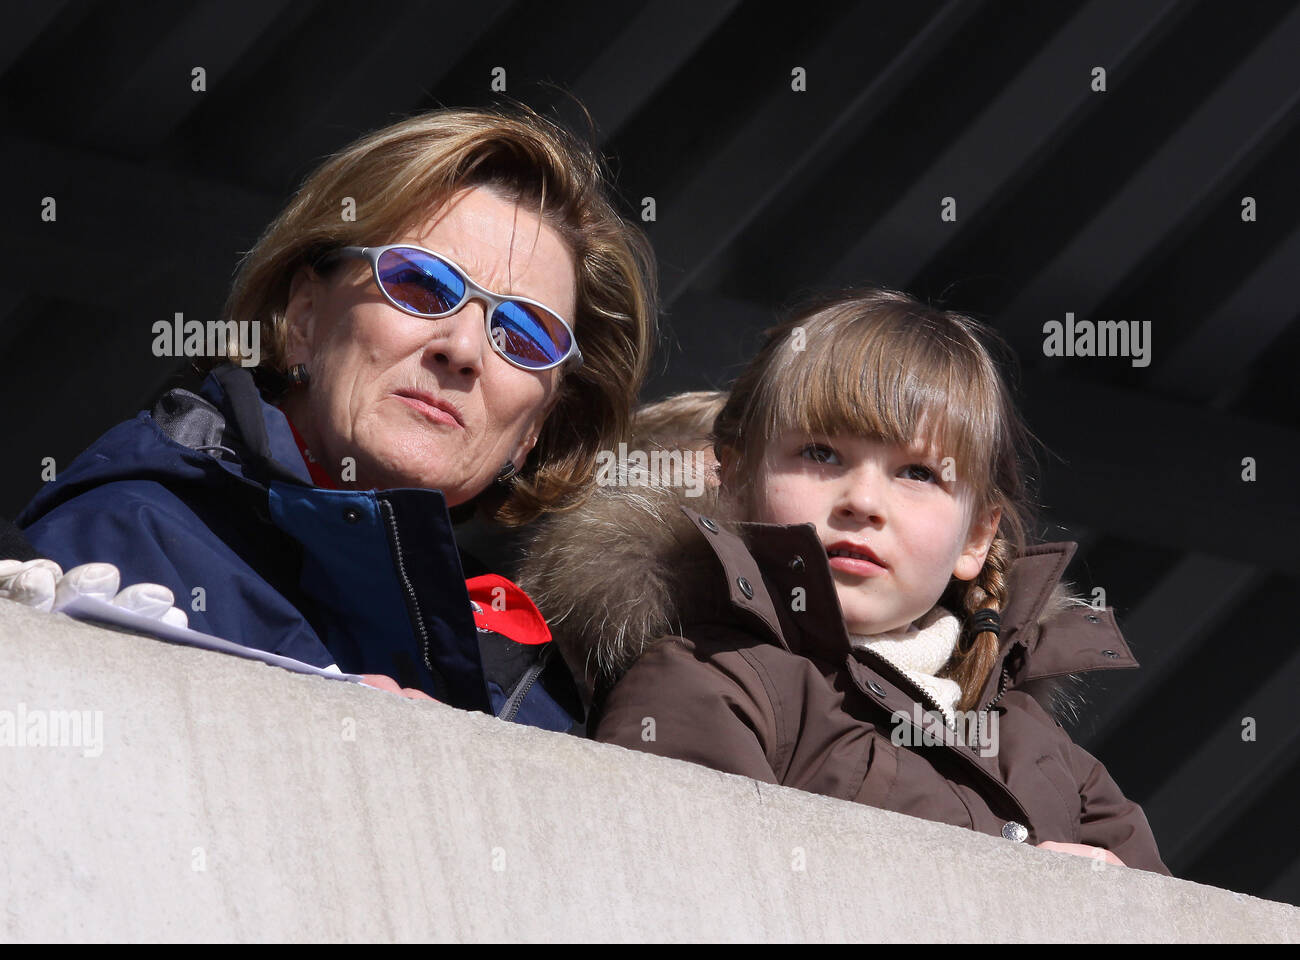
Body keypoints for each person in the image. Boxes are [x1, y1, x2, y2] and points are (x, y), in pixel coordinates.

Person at [13, 105, 658, 733]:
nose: (462, 349)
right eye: (423, 283)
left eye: (524, 333)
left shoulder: (538, 686)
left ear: (536, 426)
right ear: (303, 320)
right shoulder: (127, 538)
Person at [518, 288, 1171, 874]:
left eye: (918, 472)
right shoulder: (706, 679)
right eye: (821, 453)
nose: (862, 499)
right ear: (736, 478)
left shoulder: (1049, 755)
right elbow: (695, 900)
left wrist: (1116, 912)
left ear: (977, 537)